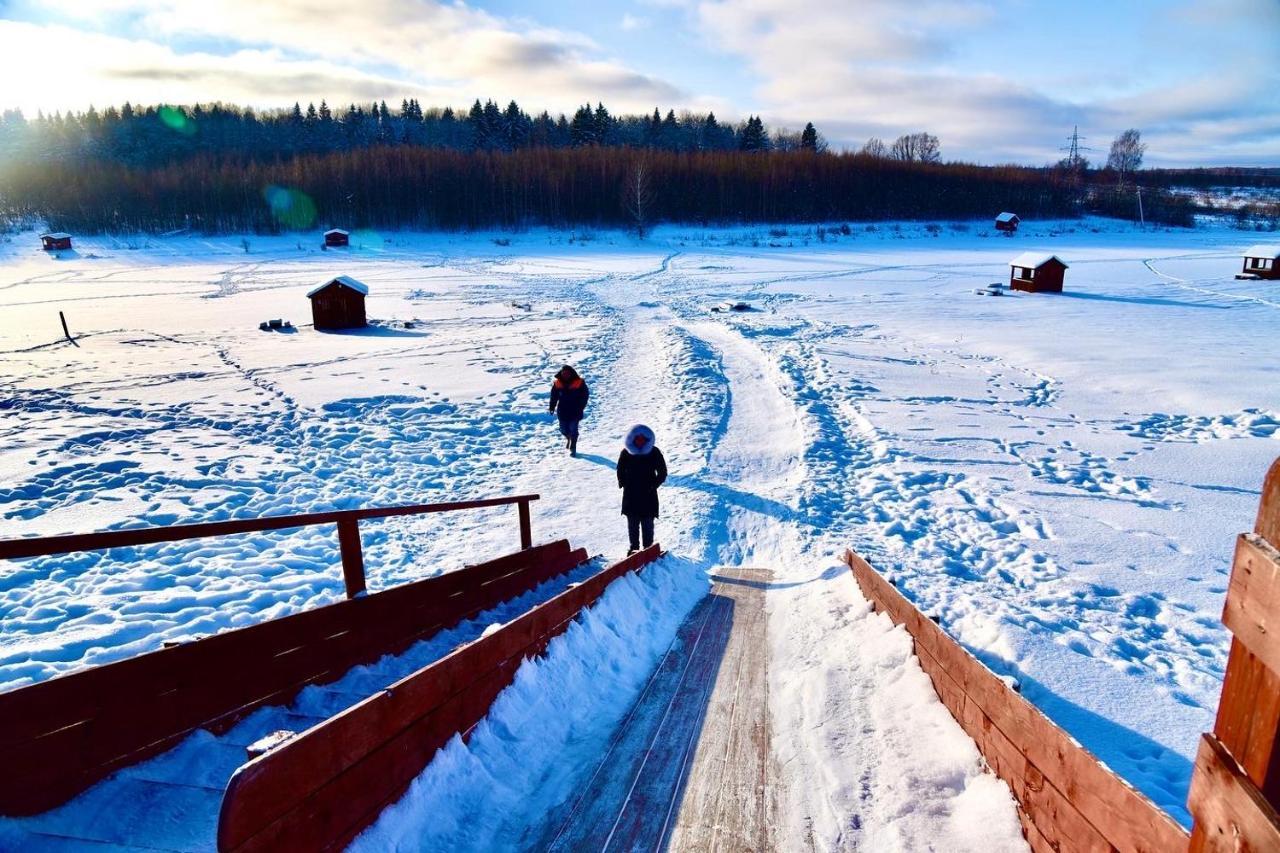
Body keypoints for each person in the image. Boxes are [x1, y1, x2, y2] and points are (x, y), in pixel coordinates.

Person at [616, 424, 667, 555]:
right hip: (630, 494)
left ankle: (648, 550)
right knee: (632, 524)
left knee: (647, 524)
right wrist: (623, 482)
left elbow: (662, 472)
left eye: (642, 439)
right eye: (637, 438)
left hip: (648, 495)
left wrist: (653, 485)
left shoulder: (654, 452)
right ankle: (633, 549)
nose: (639, 441)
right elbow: (620, 469)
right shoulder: (626, 452)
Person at [548, 365, 589, 456]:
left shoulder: (579, 382)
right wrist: (552, 407)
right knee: (563, 430)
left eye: (567, 374)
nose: (565, 375)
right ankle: (568, 438)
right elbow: (553, 396)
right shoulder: (557, 383)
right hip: (562, 411)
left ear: (571, 374)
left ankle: (573, 447)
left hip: (575, 411)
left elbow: (585, 395)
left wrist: (581, 405)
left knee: (573, 429)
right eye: (563, 374)